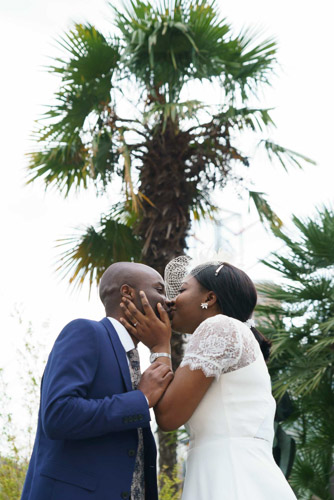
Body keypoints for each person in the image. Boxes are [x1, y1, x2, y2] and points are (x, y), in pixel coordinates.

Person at [120, 259, 298, 500]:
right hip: (237, 471)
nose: (171, 301)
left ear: (209, 298)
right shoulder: (235, 333)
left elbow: (169, 416)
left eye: (182, 290)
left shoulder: (219, 326)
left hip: (231, 476)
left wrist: (160, 346)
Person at [21, 262, 173, 500]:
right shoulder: (86, 332)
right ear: (127, 293)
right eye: (160, 289)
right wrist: (140, 399)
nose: (168, 301)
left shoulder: (132, 356)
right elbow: (58, 414)